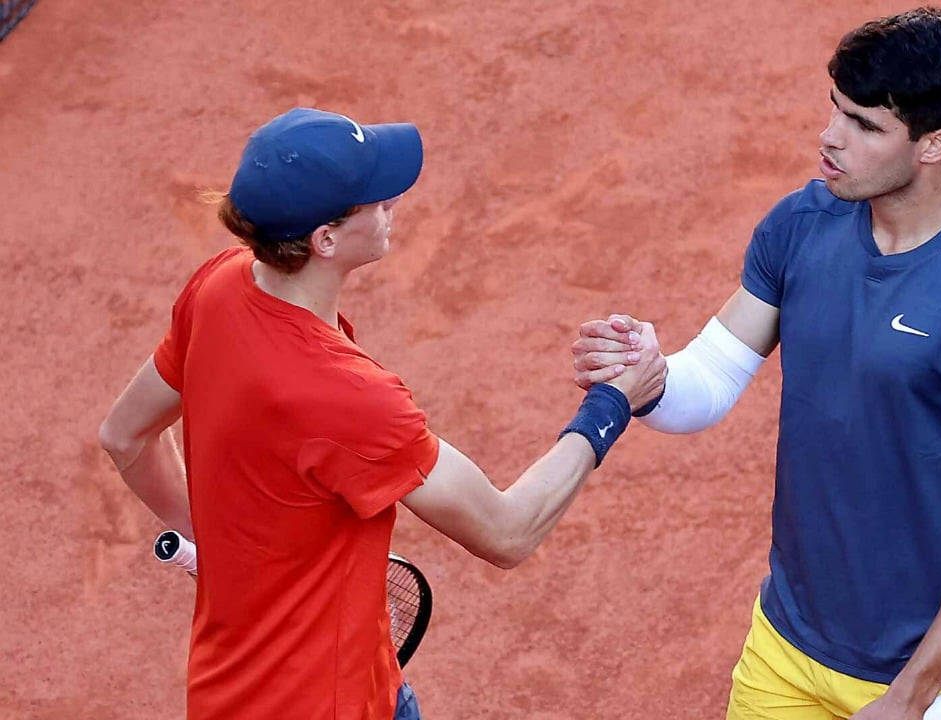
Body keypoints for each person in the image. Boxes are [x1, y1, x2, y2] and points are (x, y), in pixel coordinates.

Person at [572, 8, 941, 720]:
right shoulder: (801, 225)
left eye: (866, 125)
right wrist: (650, 373)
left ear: (934, 144)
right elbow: (706, 385)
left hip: (935, 682)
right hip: (788, 650)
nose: (830, 138)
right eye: (836, 110)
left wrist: (910, 695)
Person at [98, 108, 665, 720]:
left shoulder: (218, 287)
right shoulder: (349, 398)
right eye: (372, 198)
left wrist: (222, 546)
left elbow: (125, 437)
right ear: (326, 240)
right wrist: (610, 405)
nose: (391, 200)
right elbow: (507, 531)